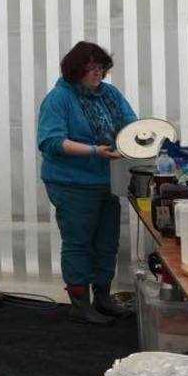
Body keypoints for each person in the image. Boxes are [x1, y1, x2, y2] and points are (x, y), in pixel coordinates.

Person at [37, 41, 137, 325]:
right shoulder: (59, 98)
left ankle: (103, 298)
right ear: (75, 70)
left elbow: (130, 125)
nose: (97, 73)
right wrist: (95, 150)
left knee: (107, 242)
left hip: (108, 181)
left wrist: (142, 138)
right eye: (90, 68)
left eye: (101, 67)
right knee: (79, 243)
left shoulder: (110, 94)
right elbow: (50, 142)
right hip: (71, 183)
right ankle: (80, 303)